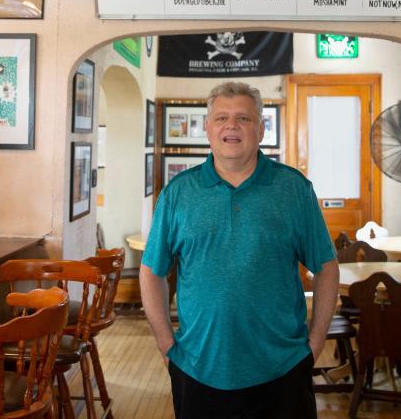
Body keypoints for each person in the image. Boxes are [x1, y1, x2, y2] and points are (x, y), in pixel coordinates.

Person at [140, 81, 339, 418]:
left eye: (244, 119)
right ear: (206, 128)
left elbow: (326, 267)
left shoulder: (293, 189)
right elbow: (152, 272)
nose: (231, 126)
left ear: (261, 129)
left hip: (283, 369)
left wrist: (316, 342)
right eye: (221, 118)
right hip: (198, 368)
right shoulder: (177, 194)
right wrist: (165, 343)